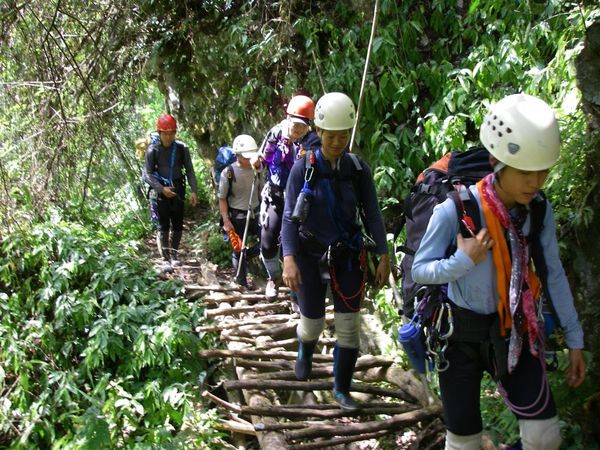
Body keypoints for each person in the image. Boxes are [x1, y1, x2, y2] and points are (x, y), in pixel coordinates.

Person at [411, 94, 586, 450]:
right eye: (525, 171)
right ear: (496, 161)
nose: (536, 181)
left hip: (515, 331)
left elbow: (553, 274)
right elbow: (420, 270)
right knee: (463, 442)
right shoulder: (456, 210)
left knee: (544, 437)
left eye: (543, 171)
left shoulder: (537, 211)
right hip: (459, 337)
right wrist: (462, 261)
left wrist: (574, 339)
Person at [281, 92, 390, 411]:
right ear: (320, 132)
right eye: (332, 135)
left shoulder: (358, 169)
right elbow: (290, 215)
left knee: (348, 328)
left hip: (347, 254)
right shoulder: (304, 167)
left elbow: (372, 213)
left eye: (344, 135)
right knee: (312, 322)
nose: (338, 141)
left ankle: (341, 389)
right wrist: (289, 259)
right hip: (309, 254)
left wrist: (384, 254)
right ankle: (305, 352)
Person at [258, 95, 321, 300]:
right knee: (268, 242)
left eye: (302, 127)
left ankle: (296, 294)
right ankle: (273, 278)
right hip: (276, 196)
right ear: (287, 119)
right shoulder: (276, 134)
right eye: (294, 125)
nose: (297, 131)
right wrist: (257, 162)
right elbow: (263, 157)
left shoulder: (312, 141)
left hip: (299, 201)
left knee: (295, 246)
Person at [143, 113, 198, 273]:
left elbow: (189, 170)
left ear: (175, 133)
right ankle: (165, 258)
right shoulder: (153, 150)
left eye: (171, 133)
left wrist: (193, 190)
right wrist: (161, 189)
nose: (168, 136)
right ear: (159, 133)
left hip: (178, 189)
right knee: (163, 225)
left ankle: (174, 255)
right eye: (165, 133)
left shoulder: (181, 148)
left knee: (178, 224)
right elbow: (147, 174)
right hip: (161, 191)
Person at [218, 134, 264, 288]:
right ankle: (242, 284)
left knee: (268, 242)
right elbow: (222, 198)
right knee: (238, 249)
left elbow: (260, 189)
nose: (249, 159)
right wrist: (226, 221)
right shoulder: (228, 173)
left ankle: (247, 256)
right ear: (237, 155)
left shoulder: (257, 168)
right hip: (237, 216)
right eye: (245, 157)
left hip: (256, 214)